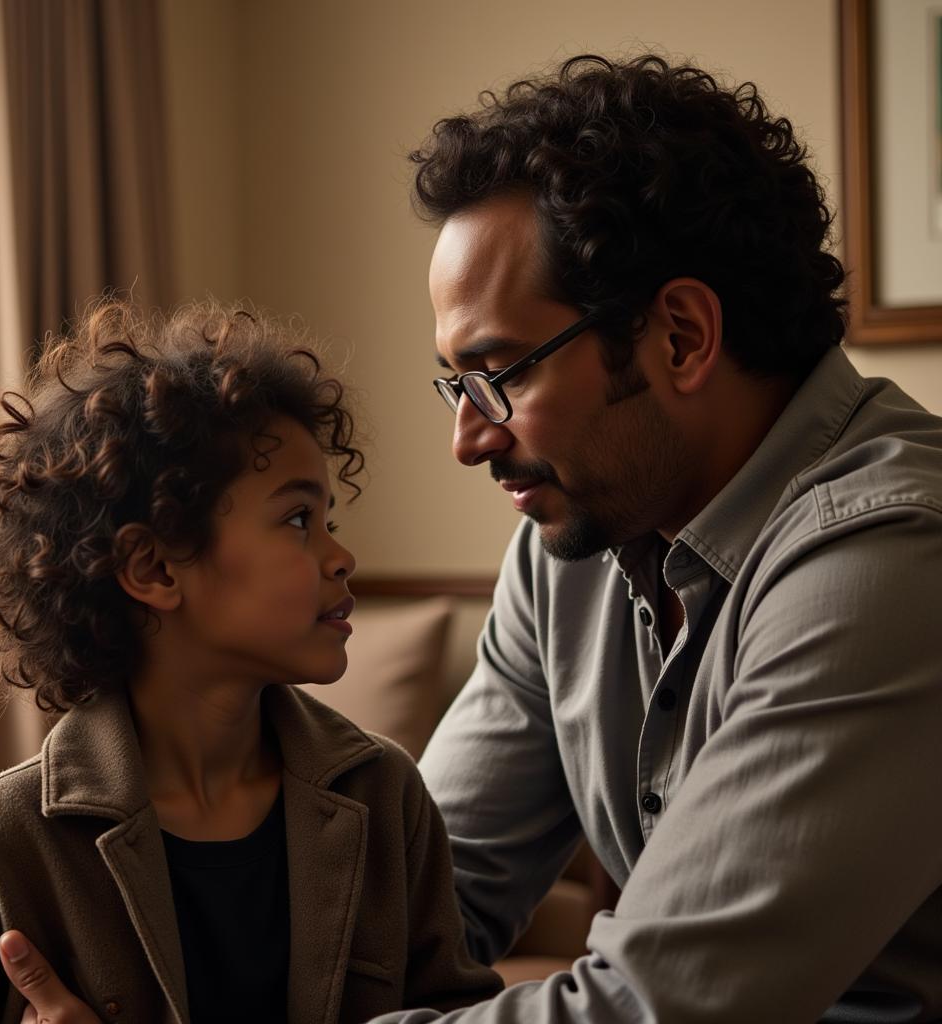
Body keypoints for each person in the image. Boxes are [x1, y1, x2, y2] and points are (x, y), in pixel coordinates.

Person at [366, 54, 942, 1022]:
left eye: (498, 374)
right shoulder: (571, 548)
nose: (468, 439)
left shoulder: (891, 564)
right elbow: (406, 909)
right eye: (455, 383)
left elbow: (648, 1009)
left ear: (678, 335)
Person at [0, 300, 501, 1023]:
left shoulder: (386, 796)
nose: (342, 556)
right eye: (297, 520)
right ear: (154, 568)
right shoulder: (1, 841)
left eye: (330, 521)